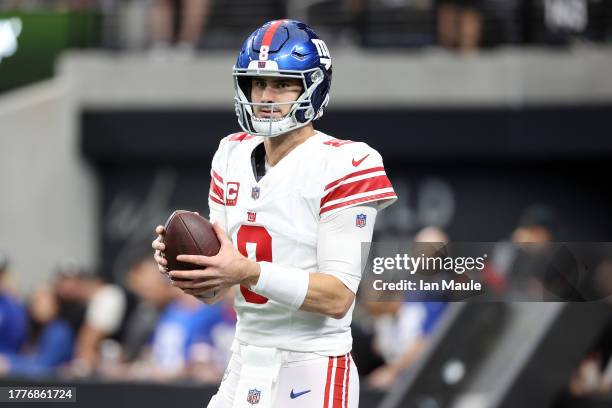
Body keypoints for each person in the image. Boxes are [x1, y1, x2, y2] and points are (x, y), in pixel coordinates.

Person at [152, 19, 397, 408]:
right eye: (257, 82)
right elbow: (216, 292)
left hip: (311, 364)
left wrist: (247, 271)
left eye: (282, 83)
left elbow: (337, 297)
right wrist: (189, 268)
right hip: (245, 356)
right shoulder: (229, 154)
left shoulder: (348, 162)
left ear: (314, 86)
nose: (266, 95)